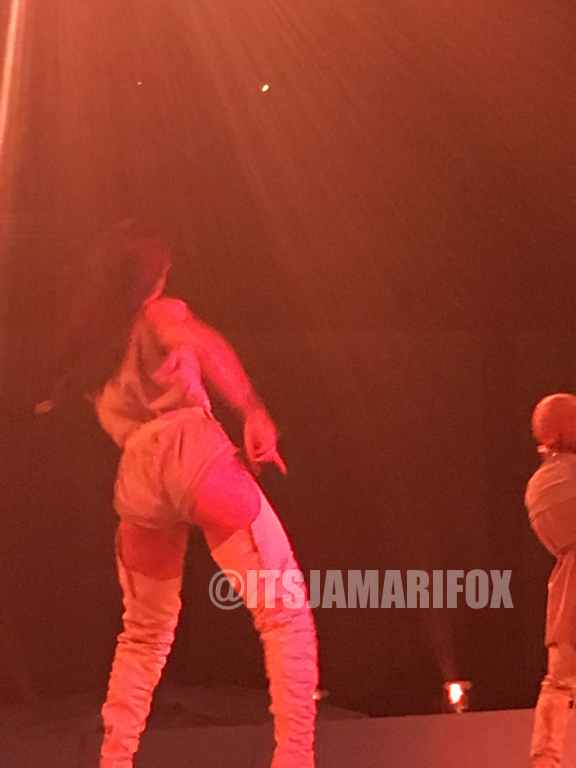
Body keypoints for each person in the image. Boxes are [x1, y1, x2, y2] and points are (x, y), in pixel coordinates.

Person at [37, 223, 318, 768]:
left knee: (143, 637)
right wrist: (253, 409)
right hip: (191, 451)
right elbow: (203, 343)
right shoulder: (157, 314)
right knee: (284, 613)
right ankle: (295, 758)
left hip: (139, 473)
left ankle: (114, 760)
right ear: (148, 277)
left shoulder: (95, 350)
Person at [525, 392, 576, 768]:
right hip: (569, 594)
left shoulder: (544, 482)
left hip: (567, 597)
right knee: (559, 684)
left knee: (560, 682)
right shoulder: (556, 480)